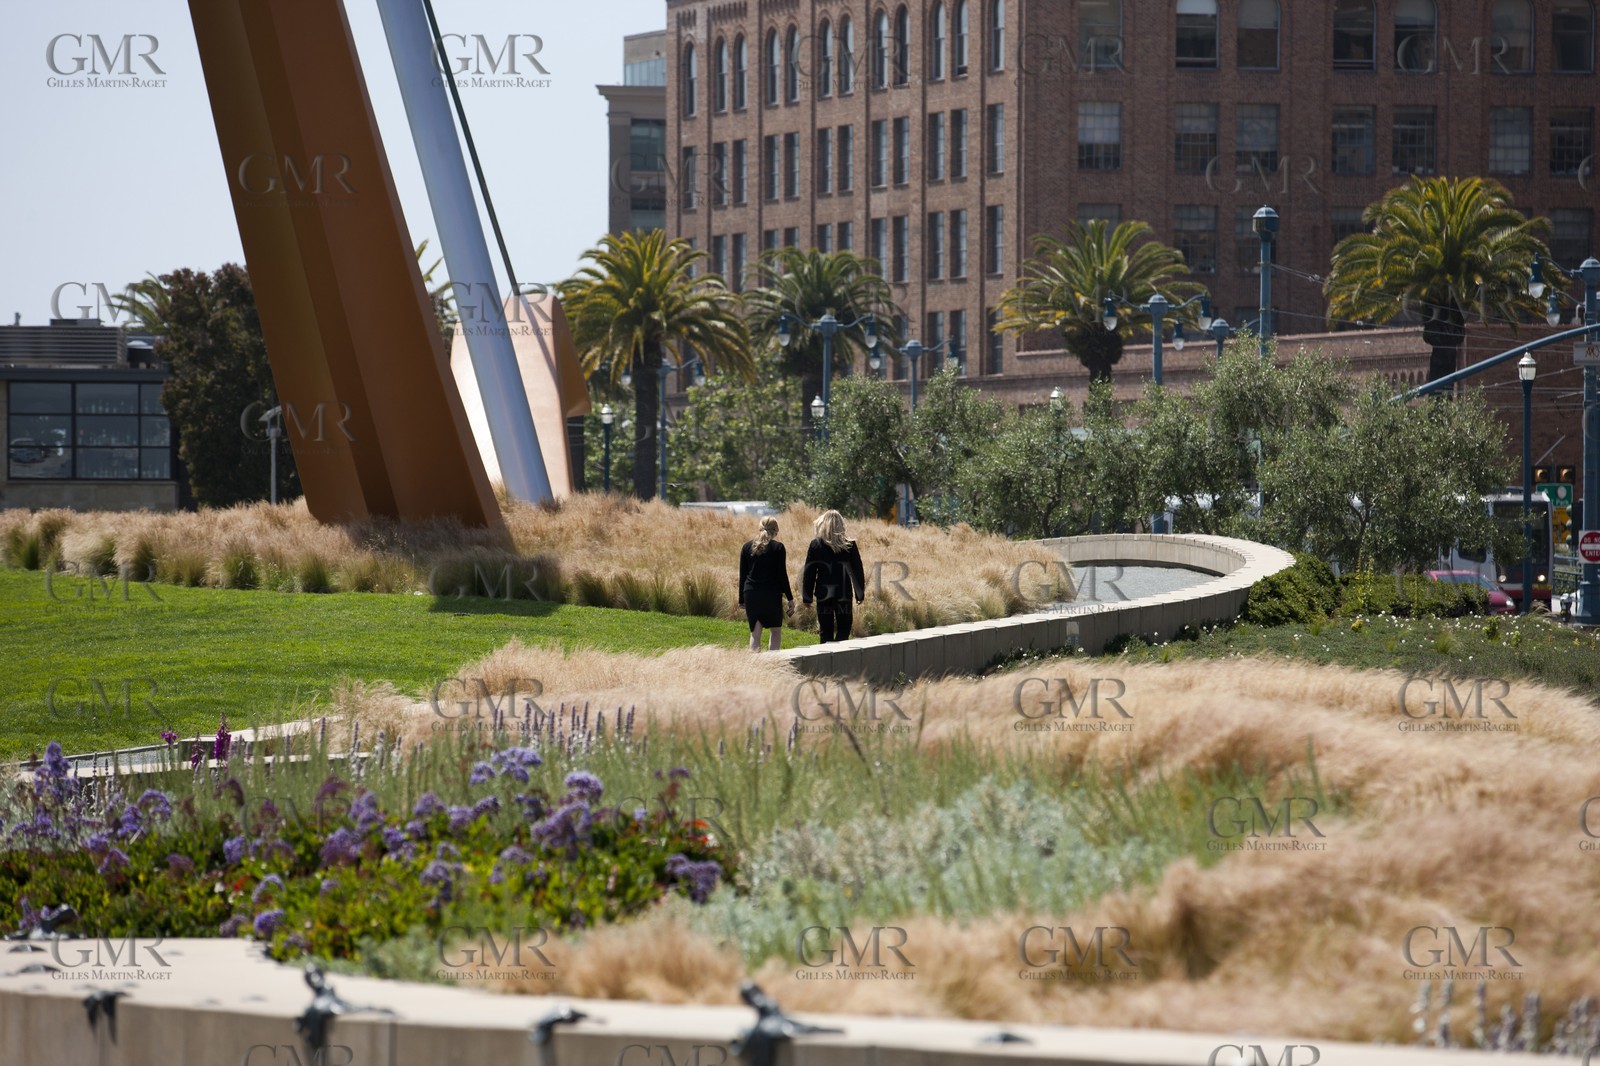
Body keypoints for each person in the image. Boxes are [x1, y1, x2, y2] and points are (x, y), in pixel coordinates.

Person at [802, 509, 866, 643]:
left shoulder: (816, 544)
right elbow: (857, 571)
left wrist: (807, 596)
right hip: (843, 592)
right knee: (844, 628)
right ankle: (840, 659)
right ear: (841, 524)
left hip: (823, 592)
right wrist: (859, 593)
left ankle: (825, 660)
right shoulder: (849, 544)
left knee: (825, 631)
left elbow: (810, 572)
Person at [738, 516, 794, 651]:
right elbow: (782, 575)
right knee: (775, 631)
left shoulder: (746, 547)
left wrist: (741, 599)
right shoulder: (778, 548)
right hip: (771, 593)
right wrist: (790, 598)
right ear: (775, 531)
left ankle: (754, 669)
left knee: (755, 634)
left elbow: (743, 576)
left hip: (751, 593)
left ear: (759, 528)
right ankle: (773, 665)